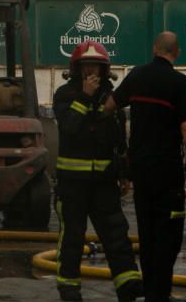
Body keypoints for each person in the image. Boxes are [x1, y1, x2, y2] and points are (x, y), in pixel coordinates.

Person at [105, 32, 186, 302]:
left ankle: (152, 292)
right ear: (177, 52)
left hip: (140, 169)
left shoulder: (137, 75)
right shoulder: (179, 82)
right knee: (169, 233)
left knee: (147, 231)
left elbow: (110, 105)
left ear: (154, 49)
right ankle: (160, 294)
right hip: (166, 170)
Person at [53, 41, 142, 302]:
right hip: (72, 184)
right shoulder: (65, 95)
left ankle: (128, 284)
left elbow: (119, 141)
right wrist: (85, 96)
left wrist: (124, 173)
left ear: (105, 70)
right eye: (86, 66)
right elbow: (68, 126)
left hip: (104, 183)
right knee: (72, 238)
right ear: (76, 69)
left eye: (96, 67)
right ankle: (69, 289)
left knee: (117, 236)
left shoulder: (111, 99)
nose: (92, 71)